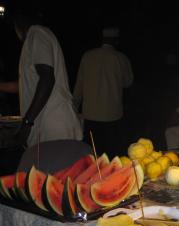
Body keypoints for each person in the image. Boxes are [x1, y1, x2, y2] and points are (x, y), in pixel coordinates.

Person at [0, 5, 82, 147]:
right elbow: (24, 86)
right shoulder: (37, 38)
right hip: (49, 125)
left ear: (19, 21)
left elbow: (47, 79)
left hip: (53, 125)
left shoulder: (37, 34)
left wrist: (27, 123)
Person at [73, 26, 133, 157]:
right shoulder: (121, 58)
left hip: (90, 115)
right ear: (116, 40)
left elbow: (79, 86)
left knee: (91, 155)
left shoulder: (87, 56)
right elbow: (128, 82)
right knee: (111, 155)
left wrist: (74, 107)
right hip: (113, 116)